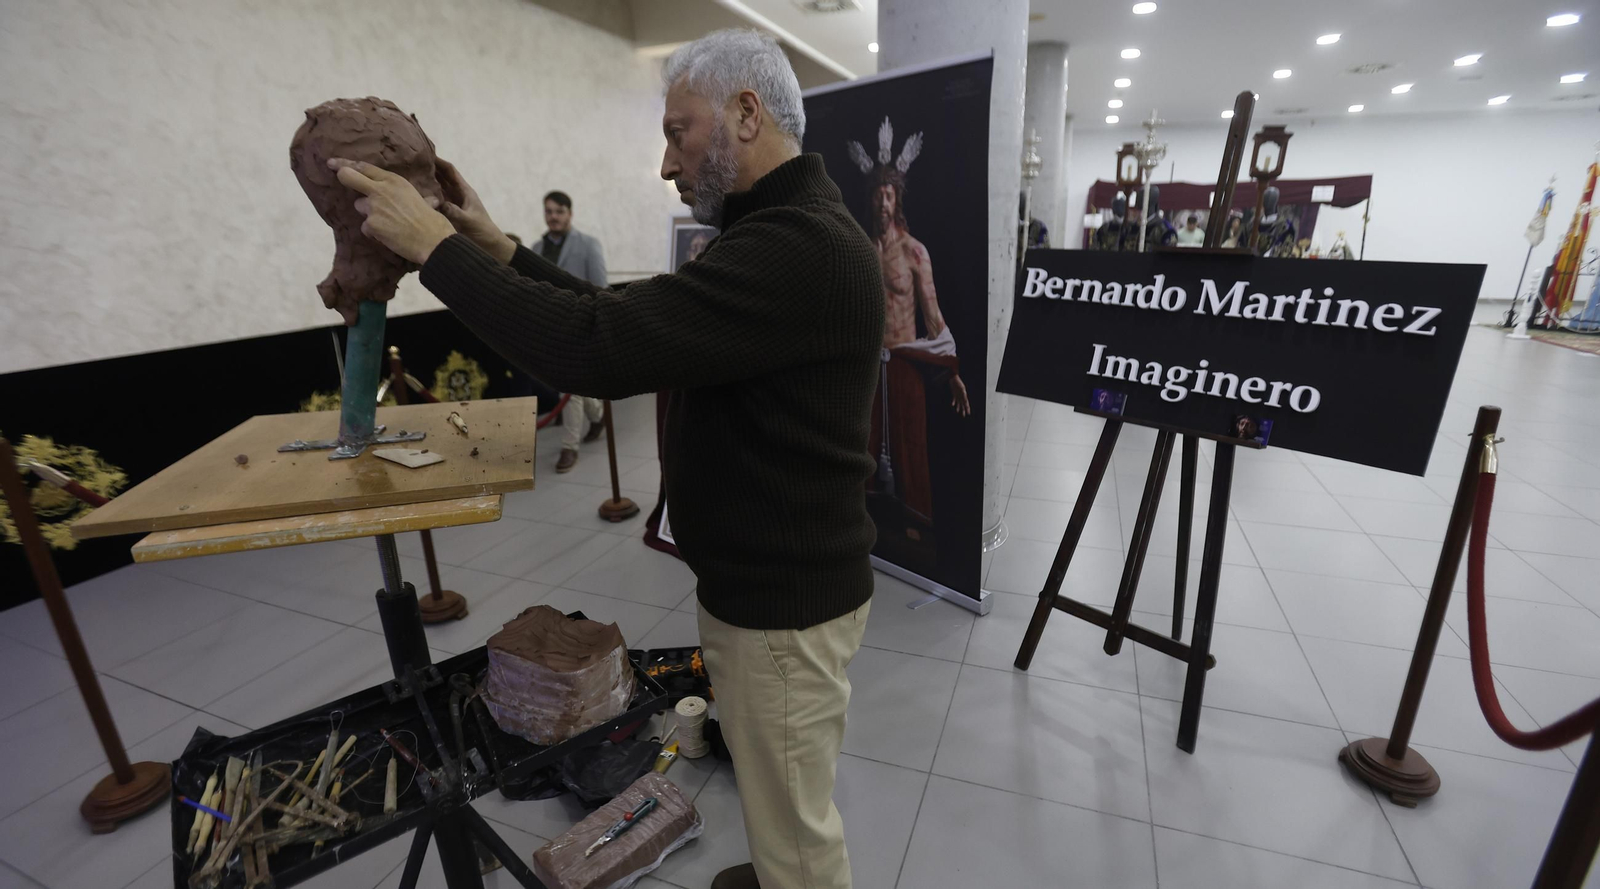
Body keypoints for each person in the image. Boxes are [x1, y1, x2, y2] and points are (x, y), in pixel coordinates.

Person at [328, 29, 880, 889]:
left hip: (783, 610)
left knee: (799, 828)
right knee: (779, 800)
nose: (666, 162)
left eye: (677, 130)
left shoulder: (798, 247)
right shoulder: (779, 232)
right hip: (767, 592)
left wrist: (435, 249)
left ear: (745, 112)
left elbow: (597, 348)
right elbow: (635, 323)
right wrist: (495, 249)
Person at [847, 117, 971, 530]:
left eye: (889, 195)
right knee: (862, 445)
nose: (883, 203)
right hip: (866, 365)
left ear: (898, 199)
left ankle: (916, 527)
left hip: (903, 362)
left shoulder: (915, 252)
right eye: (877, 196)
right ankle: (864, 522)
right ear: (869, 200)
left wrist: (951, 369)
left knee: (911, 446)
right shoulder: (859, 249)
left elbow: (932, 315)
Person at [536, 190, 611, 472]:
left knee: (570, 387)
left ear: (570, 213)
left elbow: (601, 288)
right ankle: (599, 415)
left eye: (559, 211)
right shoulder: (536, 248)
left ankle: (569, 447)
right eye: (549, 211)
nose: (553, 217)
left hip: (581, 326)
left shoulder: (588, 244)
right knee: (571, 388)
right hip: (552, 329)